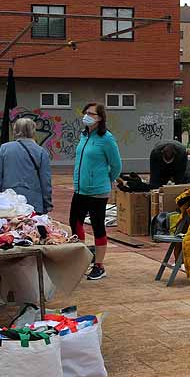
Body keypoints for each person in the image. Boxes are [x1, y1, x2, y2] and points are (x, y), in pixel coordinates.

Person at [70, 102, 122, 281]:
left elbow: (116, 165)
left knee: (98, 225)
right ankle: (79, 259)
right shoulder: (84, 136)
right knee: (75, 223)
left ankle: (99, 265)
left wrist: (106, 179)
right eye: (86, 112)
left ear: (100, 118)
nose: (87, 115)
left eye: (91, 113)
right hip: (79, 188)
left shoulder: (107, 138)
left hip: (97, 190)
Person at [0, 117, 53, 214]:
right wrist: (47, 204)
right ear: (33, 131)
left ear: (15, 131)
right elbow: (46, 181)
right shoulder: (41, 152)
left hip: (9, 201)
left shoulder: (5, 148)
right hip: (33, 202)